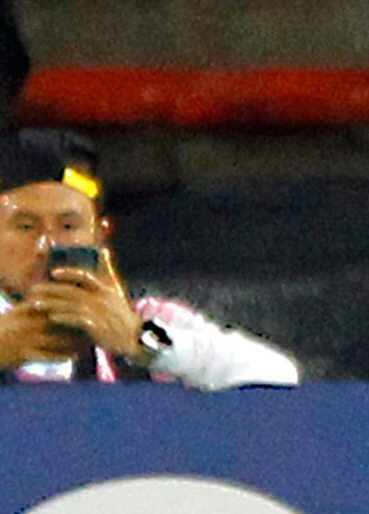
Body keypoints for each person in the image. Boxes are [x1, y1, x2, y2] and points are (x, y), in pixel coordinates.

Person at [0, 132, 297, 389]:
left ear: (100, 236)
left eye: (68, 227)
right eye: (25, 226)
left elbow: (279, 374)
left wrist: (140, 342)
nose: (47, 245)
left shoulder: (149, 319)